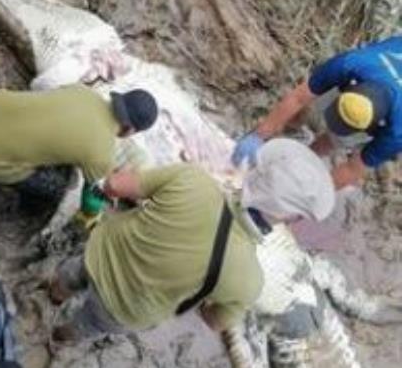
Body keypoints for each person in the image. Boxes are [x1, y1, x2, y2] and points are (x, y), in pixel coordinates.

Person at [49, 141, 334, 343]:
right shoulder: (249, 282)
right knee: (86, 327)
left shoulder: (192, 179)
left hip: (99, 254)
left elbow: (115, 186)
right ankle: (60, 337)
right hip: (125, 311)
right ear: (293, 219)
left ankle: (54, 295)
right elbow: (213, 321)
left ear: (256, 172)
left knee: (69, 276)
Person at [232, 35, 402, 190]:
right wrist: (259, 135)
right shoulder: (349, 63)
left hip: (384, 106)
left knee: (334, 139)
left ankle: (298, 164)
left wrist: (311, 200)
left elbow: (353, 168)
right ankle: (285, 130)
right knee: (307, 103)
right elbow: (299, 97)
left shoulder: (397, 132)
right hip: (372, 70)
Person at [0, 84, 158, 213]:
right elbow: (90, 203)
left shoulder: (83, 91)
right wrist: (98, 203)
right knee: (60, 189)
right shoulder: (102, 154)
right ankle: (28, 210)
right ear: (131, 129)